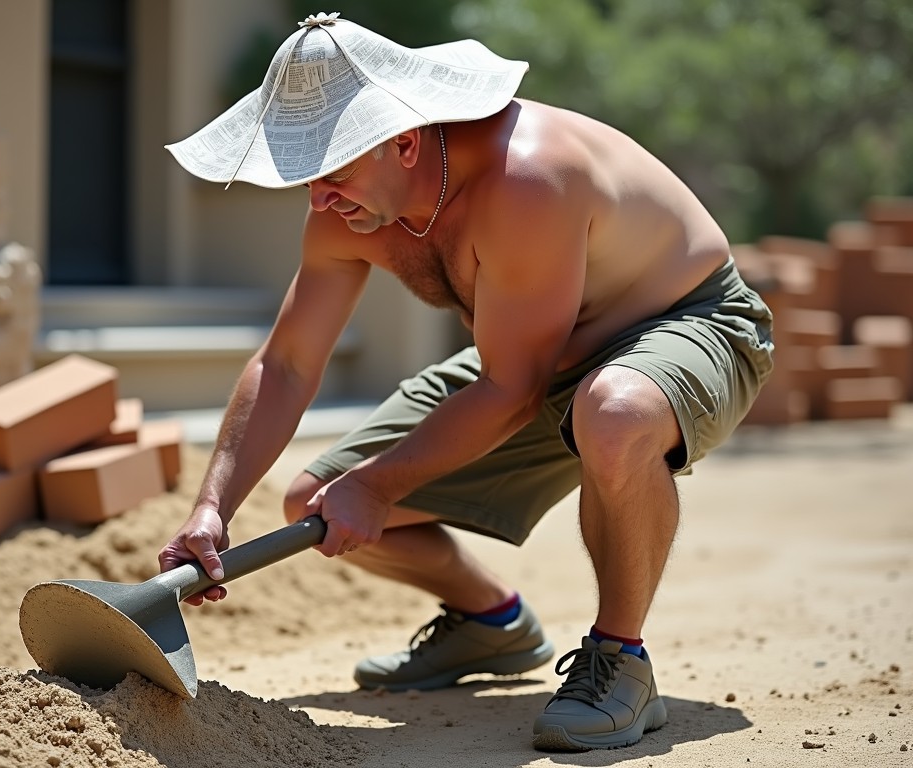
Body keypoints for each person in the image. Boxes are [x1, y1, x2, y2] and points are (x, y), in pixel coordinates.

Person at [158, 12, 773, 752]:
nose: (318, 199)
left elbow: (513, 388)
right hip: (531, 355)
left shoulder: (526, 177)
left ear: (405, 140)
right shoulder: (343, 214)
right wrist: (212, 506)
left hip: (690, 322)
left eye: (332, 173)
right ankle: (492, 623)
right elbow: (287, 363)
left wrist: (380, 485)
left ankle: (621, 660)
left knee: (610, 413)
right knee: (315, 498)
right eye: (305, 174)